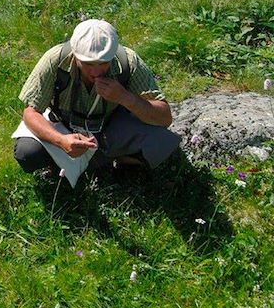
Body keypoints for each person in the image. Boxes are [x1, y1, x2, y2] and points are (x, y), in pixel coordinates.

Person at [12, 19, 180, 184]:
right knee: (27, 152)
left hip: (110, 127)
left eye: (104, 63)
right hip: (64, 126)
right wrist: (61, 140)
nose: (96, 71)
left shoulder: (127, 62)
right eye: (88, 64)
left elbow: (164, 117)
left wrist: (124, 97)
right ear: (75, 55)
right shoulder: (56, 60)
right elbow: (30, 113)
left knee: (163, 142)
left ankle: (109, 161)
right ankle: (80, 165)